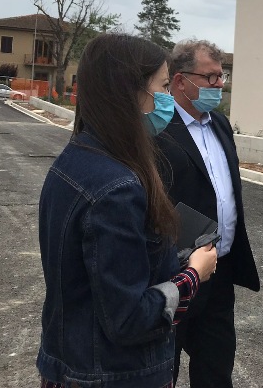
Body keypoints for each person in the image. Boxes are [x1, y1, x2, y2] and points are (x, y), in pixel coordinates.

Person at [37, 34, 218, 388]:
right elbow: (129, 318)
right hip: (113, 374)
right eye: (163, 87)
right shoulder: (116, 188)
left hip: (69, 363)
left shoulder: (73, 161)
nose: (168, 100)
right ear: (131, 93)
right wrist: (194, 273)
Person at [155, 39, 260, 388]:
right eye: (210, 77)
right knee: (163, 369)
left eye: (221, 76)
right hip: (174, 272)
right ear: (180, 81)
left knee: (216, 369)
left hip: (219, 272)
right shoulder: (158, 129)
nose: (219, 85)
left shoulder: (220, 124)